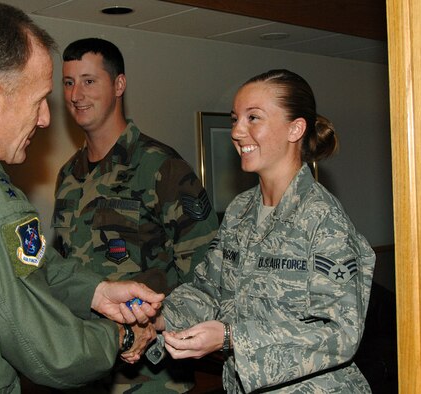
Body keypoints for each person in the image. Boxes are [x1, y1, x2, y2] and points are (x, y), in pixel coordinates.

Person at [0, 3, 165, 393]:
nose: (45, 118)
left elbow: (28, 262)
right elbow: (51, 353)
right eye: (39, 99)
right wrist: (120, 337)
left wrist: (96, 291)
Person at [146, 69, 376, 393]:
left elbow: (339, 333)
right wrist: (158, 319)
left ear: (295, 129)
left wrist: (230, 337)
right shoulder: (240, 211)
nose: (238, 131)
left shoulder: (323, 220)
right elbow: (208, 290)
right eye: (235, 119)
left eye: (253, 118)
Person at [52, 38, 219, 393]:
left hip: (150, 374)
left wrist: (152, 323)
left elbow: (208, 269)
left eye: (89, 81)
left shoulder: (162, 167)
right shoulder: (68, 177)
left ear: (119, 85)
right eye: (68, 83)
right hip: (85, 367)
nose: (76, 94)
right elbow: (63, 272)